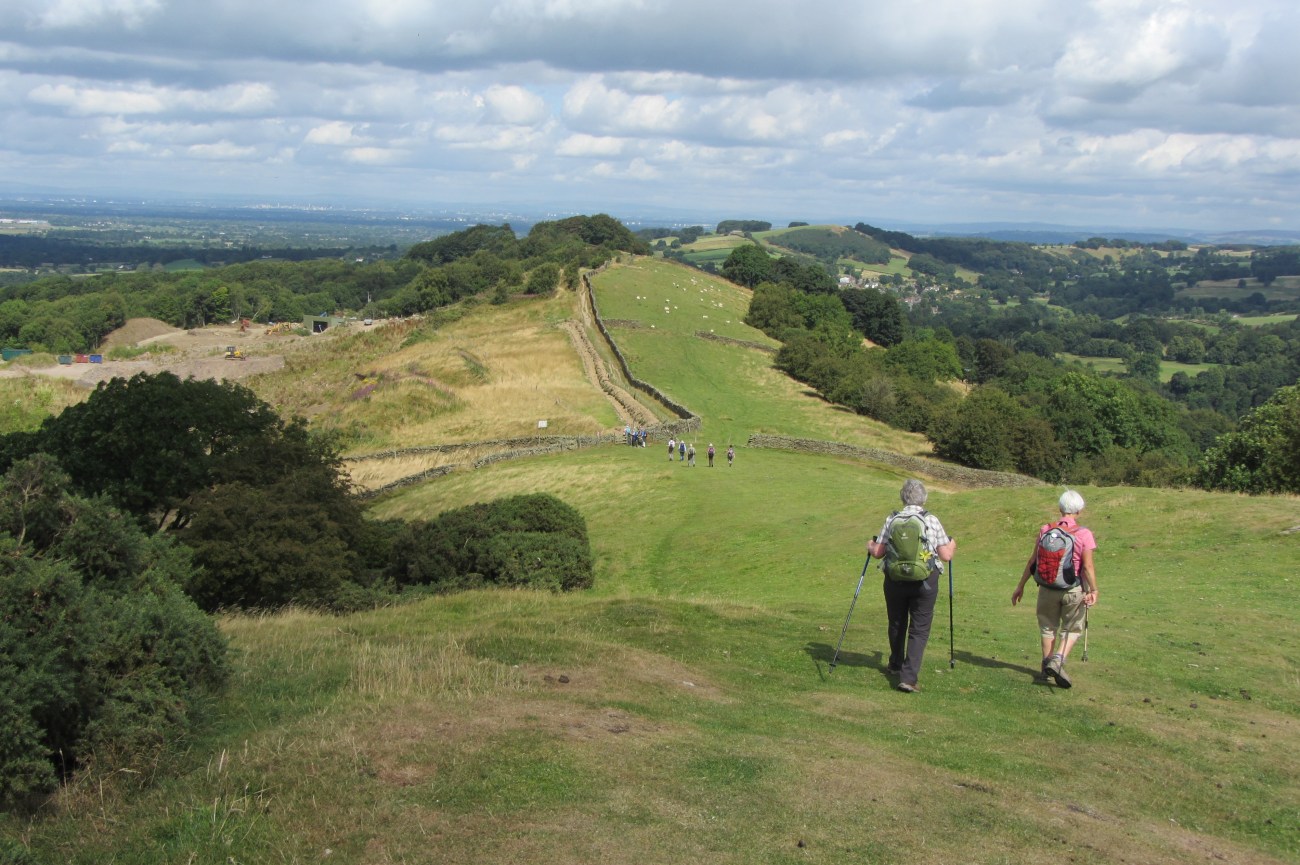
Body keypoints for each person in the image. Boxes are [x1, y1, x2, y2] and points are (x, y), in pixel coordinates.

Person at [866, 479, 957, 693]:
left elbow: (879, 552)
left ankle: (895, 664)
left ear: (903, 497)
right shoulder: (931, 520)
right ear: (923, 498)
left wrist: (870, 545)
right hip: (925, 581)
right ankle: (908, 678)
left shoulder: (892, 519)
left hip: (894, 579)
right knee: (919, 628)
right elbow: (946, 555)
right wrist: (952, 544)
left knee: (896, 621)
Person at [1011, 490, 1098, 688]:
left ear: (1060, 508)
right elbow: (1087, 566)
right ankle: (1058, 660)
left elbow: (1033, 560)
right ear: (1079, 510)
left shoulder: (1045, 530)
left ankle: (1046, 665)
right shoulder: (1084, 534)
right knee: (1072, 628)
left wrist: (1020, 586)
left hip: (1047, 587)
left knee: (1047, 626)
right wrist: (1094, 590)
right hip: (1073, 589)